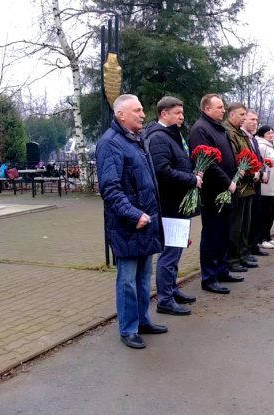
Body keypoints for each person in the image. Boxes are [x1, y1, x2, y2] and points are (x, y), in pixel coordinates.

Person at [96, 94, 167, 349]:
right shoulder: (111, 143)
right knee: (127, 279)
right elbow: (110, 188)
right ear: (120, 114)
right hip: (129, 224)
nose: (142, 114)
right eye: (137, 110)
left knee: (143, 276)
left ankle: (142, 320)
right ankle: (128, 328)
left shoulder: (136, 140)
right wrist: (134, 214)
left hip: (146, 221)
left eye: (141, 109)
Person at [145, 96, 200, 317]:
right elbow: (162, 171)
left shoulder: (172, 136)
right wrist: (190, 179)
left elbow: (178, 163)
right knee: (169, 254)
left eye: (182, 112)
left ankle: (172, 288)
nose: (182, 117)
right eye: (177, 113)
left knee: (177, 250)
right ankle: (165, 300)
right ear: (164, 113)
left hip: (179, 203)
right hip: (169, 205)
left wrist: (194, 173)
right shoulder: (159, 138)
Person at [188, 94, 242, 295]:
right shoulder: (201, 129)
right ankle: (209, 277)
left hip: (227, 191)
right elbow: (207, 161)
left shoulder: (219, 128)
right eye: (219, 107)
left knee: (223, 234)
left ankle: (222, 269)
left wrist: (236, 175)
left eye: (223, 107)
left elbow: (230, 156)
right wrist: (228, 182)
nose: (223, 110)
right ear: (207, 109)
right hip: (214, 192)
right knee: (212, 235)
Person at [224, 102, 258, 273]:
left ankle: (243, 254)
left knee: (245, 224)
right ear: (231, 115)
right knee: (236, 226)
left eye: (246, 115)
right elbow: (236, 159)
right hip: (239, 185)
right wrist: (251, 171)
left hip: (247, 185)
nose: (244, 118)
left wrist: (255, 169)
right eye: (242, 115)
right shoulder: (230, 133)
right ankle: (233, 258)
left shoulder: (240, 134)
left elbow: (249, 156)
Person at [241, 110, 269, 258]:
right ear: (244, 120)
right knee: (248, 220)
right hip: (247, 183)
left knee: (256, 215)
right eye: (251, 119)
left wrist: (263, 170)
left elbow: (259, 159)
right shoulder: (242, 137)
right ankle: (246, 249)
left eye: (256, 120)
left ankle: (253, 245)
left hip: (256, 183)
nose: (254, 122)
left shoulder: (253, 139)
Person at [255, 125, 274, 249]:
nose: (271, 135)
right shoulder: (262, 146)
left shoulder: (273, 146)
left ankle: (268, 236)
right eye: (268, 133)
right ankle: (261, 238)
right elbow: (260, 163)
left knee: (271, 213)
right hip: (266, 188)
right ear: (262, 136)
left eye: (272, 132)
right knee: (265, 213)